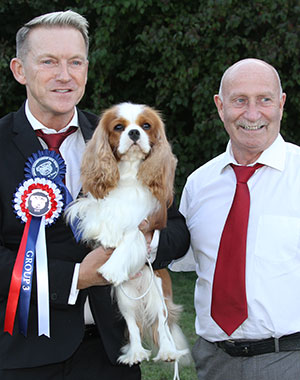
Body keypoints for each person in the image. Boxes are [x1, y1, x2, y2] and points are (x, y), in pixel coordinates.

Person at [0, 10, 190, 380]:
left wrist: (140, 244)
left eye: (75, 62)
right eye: (48, 62)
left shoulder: (115, 134)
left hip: (112, 355)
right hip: (21, 356)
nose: (64, 75)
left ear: (87, 69)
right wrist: (76, 278)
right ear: (20, 70)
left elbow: (177, 233)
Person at [171, 58, 300, 379]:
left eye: (264, 100)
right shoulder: (199, 184)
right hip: (215, 361)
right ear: (220, 106)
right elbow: (179, 260)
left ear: (281, 104)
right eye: (240, 100)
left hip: (290, 359)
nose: (253, 114)